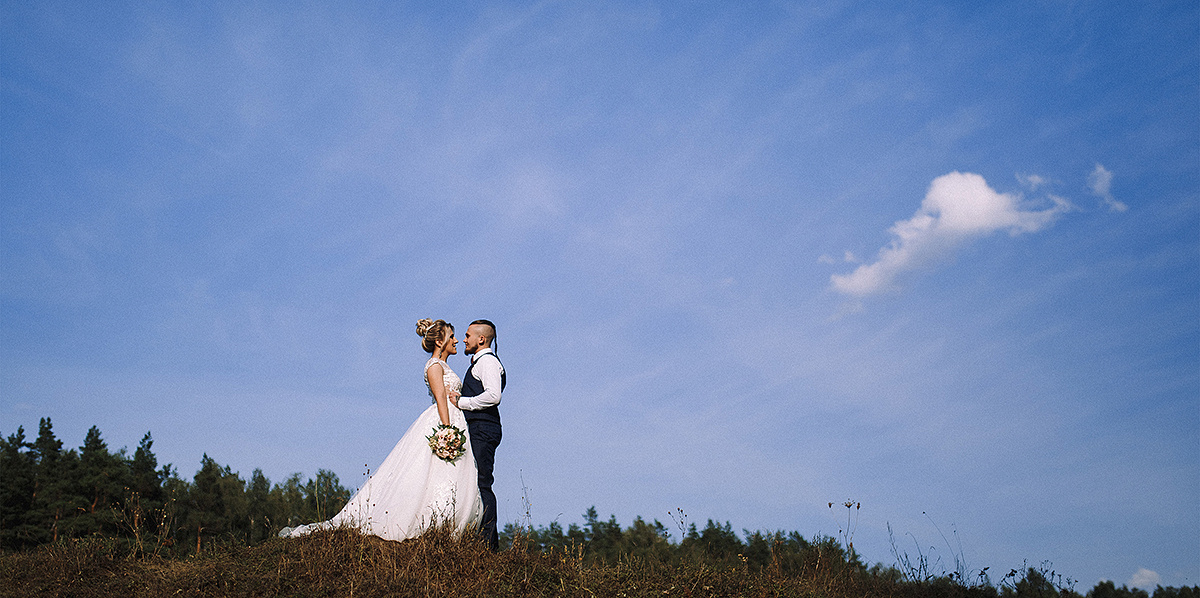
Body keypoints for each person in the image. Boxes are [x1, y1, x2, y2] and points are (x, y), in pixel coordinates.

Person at [280, 319, 482, 541]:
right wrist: (447, 429)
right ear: (439, 341)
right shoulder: (434, 366)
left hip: (454, 419)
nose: (456, 340)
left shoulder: (445, 366)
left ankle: (446, 524)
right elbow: (440, 397)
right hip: (444, 421)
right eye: (451, 336)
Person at [456, 319, 505, 551]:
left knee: (482, 483)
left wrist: (461, 402)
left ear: (481, 339)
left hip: (483, 429)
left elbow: (494, 396)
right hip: (479, 428)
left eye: (468, 335)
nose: (464, 340)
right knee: (476, 483)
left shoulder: (487, 362)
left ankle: (488, 546)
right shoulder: (480, 362)